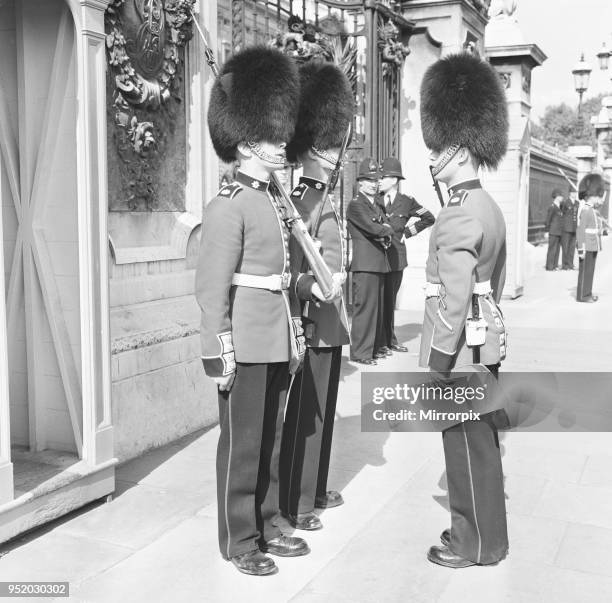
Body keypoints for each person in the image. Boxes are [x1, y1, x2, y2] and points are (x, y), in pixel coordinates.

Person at [196, 46, 308, 576]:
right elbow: (212, 289)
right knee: (242, 447)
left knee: (270, 438)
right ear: (245, 142)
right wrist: (219, 351)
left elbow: (281, 276)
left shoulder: (271, 201)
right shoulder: (228, 206)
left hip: (275, 335)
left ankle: (266, 520)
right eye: (270, 134)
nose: (281, 140)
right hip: (243, 339)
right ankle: (240, 539)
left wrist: (294, 331)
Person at [419, 52, 510, 568]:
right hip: (486, 343)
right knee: (483, 446)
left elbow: (452, 298)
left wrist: (436, 362)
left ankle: (470, 542)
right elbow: (487, 285)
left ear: (455, 150)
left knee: (462, 450)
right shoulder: (489, 207)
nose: (433, 157)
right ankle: (490, 539)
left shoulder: (457, 215)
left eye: (438, 150)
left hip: (458, 351)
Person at [279, 60, 353, 531]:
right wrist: (315, 292)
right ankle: (297, 499)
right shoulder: (302, 201)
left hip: (333, 322)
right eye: (326, 146)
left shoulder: (327, 198)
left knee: (324, 415)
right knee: (306, 417)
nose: (335, 154)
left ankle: (317, 485)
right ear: (312, 151)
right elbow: (290, 270)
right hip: (311, 320)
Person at [377, 157, 435, 354]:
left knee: (390, 300)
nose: (379, 180)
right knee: (377, 300)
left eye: (383, 177)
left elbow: (429, 218)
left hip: (396, 258)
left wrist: (407, 233)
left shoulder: (406, 202)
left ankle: (389, 340)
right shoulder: (373, 200)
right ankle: (378, 342)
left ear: (393, 180)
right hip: (376, 257)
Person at [346, 159, 393, 365]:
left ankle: (372, 349)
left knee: (376, 309)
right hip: (365, 265)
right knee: (365, 309)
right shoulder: (356, 205)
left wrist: (384, 230)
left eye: (376, 180)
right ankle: (360, 352)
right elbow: (375, 228)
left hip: (377, 264)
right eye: (368, 180)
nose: (374, 184)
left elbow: (383, 227)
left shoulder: (375, 204)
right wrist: (385, 231)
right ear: (360, 182)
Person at [576, 173, 604, 303]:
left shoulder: (592, 210)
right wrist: (580, 249)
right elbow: (580, 231)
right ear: (590, 196)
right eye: (597, 196)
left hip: (593, 245)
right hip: (587, 246)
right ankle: (582, 295)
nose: (599, 199)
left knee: (590, 271)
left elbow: (595, 229)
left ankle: (588, 292)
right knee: (584, 272)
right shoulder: (586, 211)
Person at [544, 189, 564, 270]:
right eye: (560, 196)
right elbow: (548, 220)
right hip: (553, 231)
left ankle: (555, 265)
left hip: (559, 231)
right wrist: (546, 231)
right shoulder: (552, 207)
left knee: (557, 250)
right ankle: (549, 266)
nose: (562, 198)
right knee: (552, 249)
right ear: (556, 197)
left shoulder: (560, 206)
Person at [561, 191, 579, 270]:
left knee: (572, 247)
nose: (574, 194)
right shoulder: (565, 202)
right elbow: (562, 213)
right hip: (566, 228)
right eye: (573, 192)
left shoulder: (577, 203)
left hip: (574, 228)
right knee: (565, 247)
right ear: (570, 193)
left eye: (575, 192)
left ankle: (570, 264)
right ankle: (565, 265)